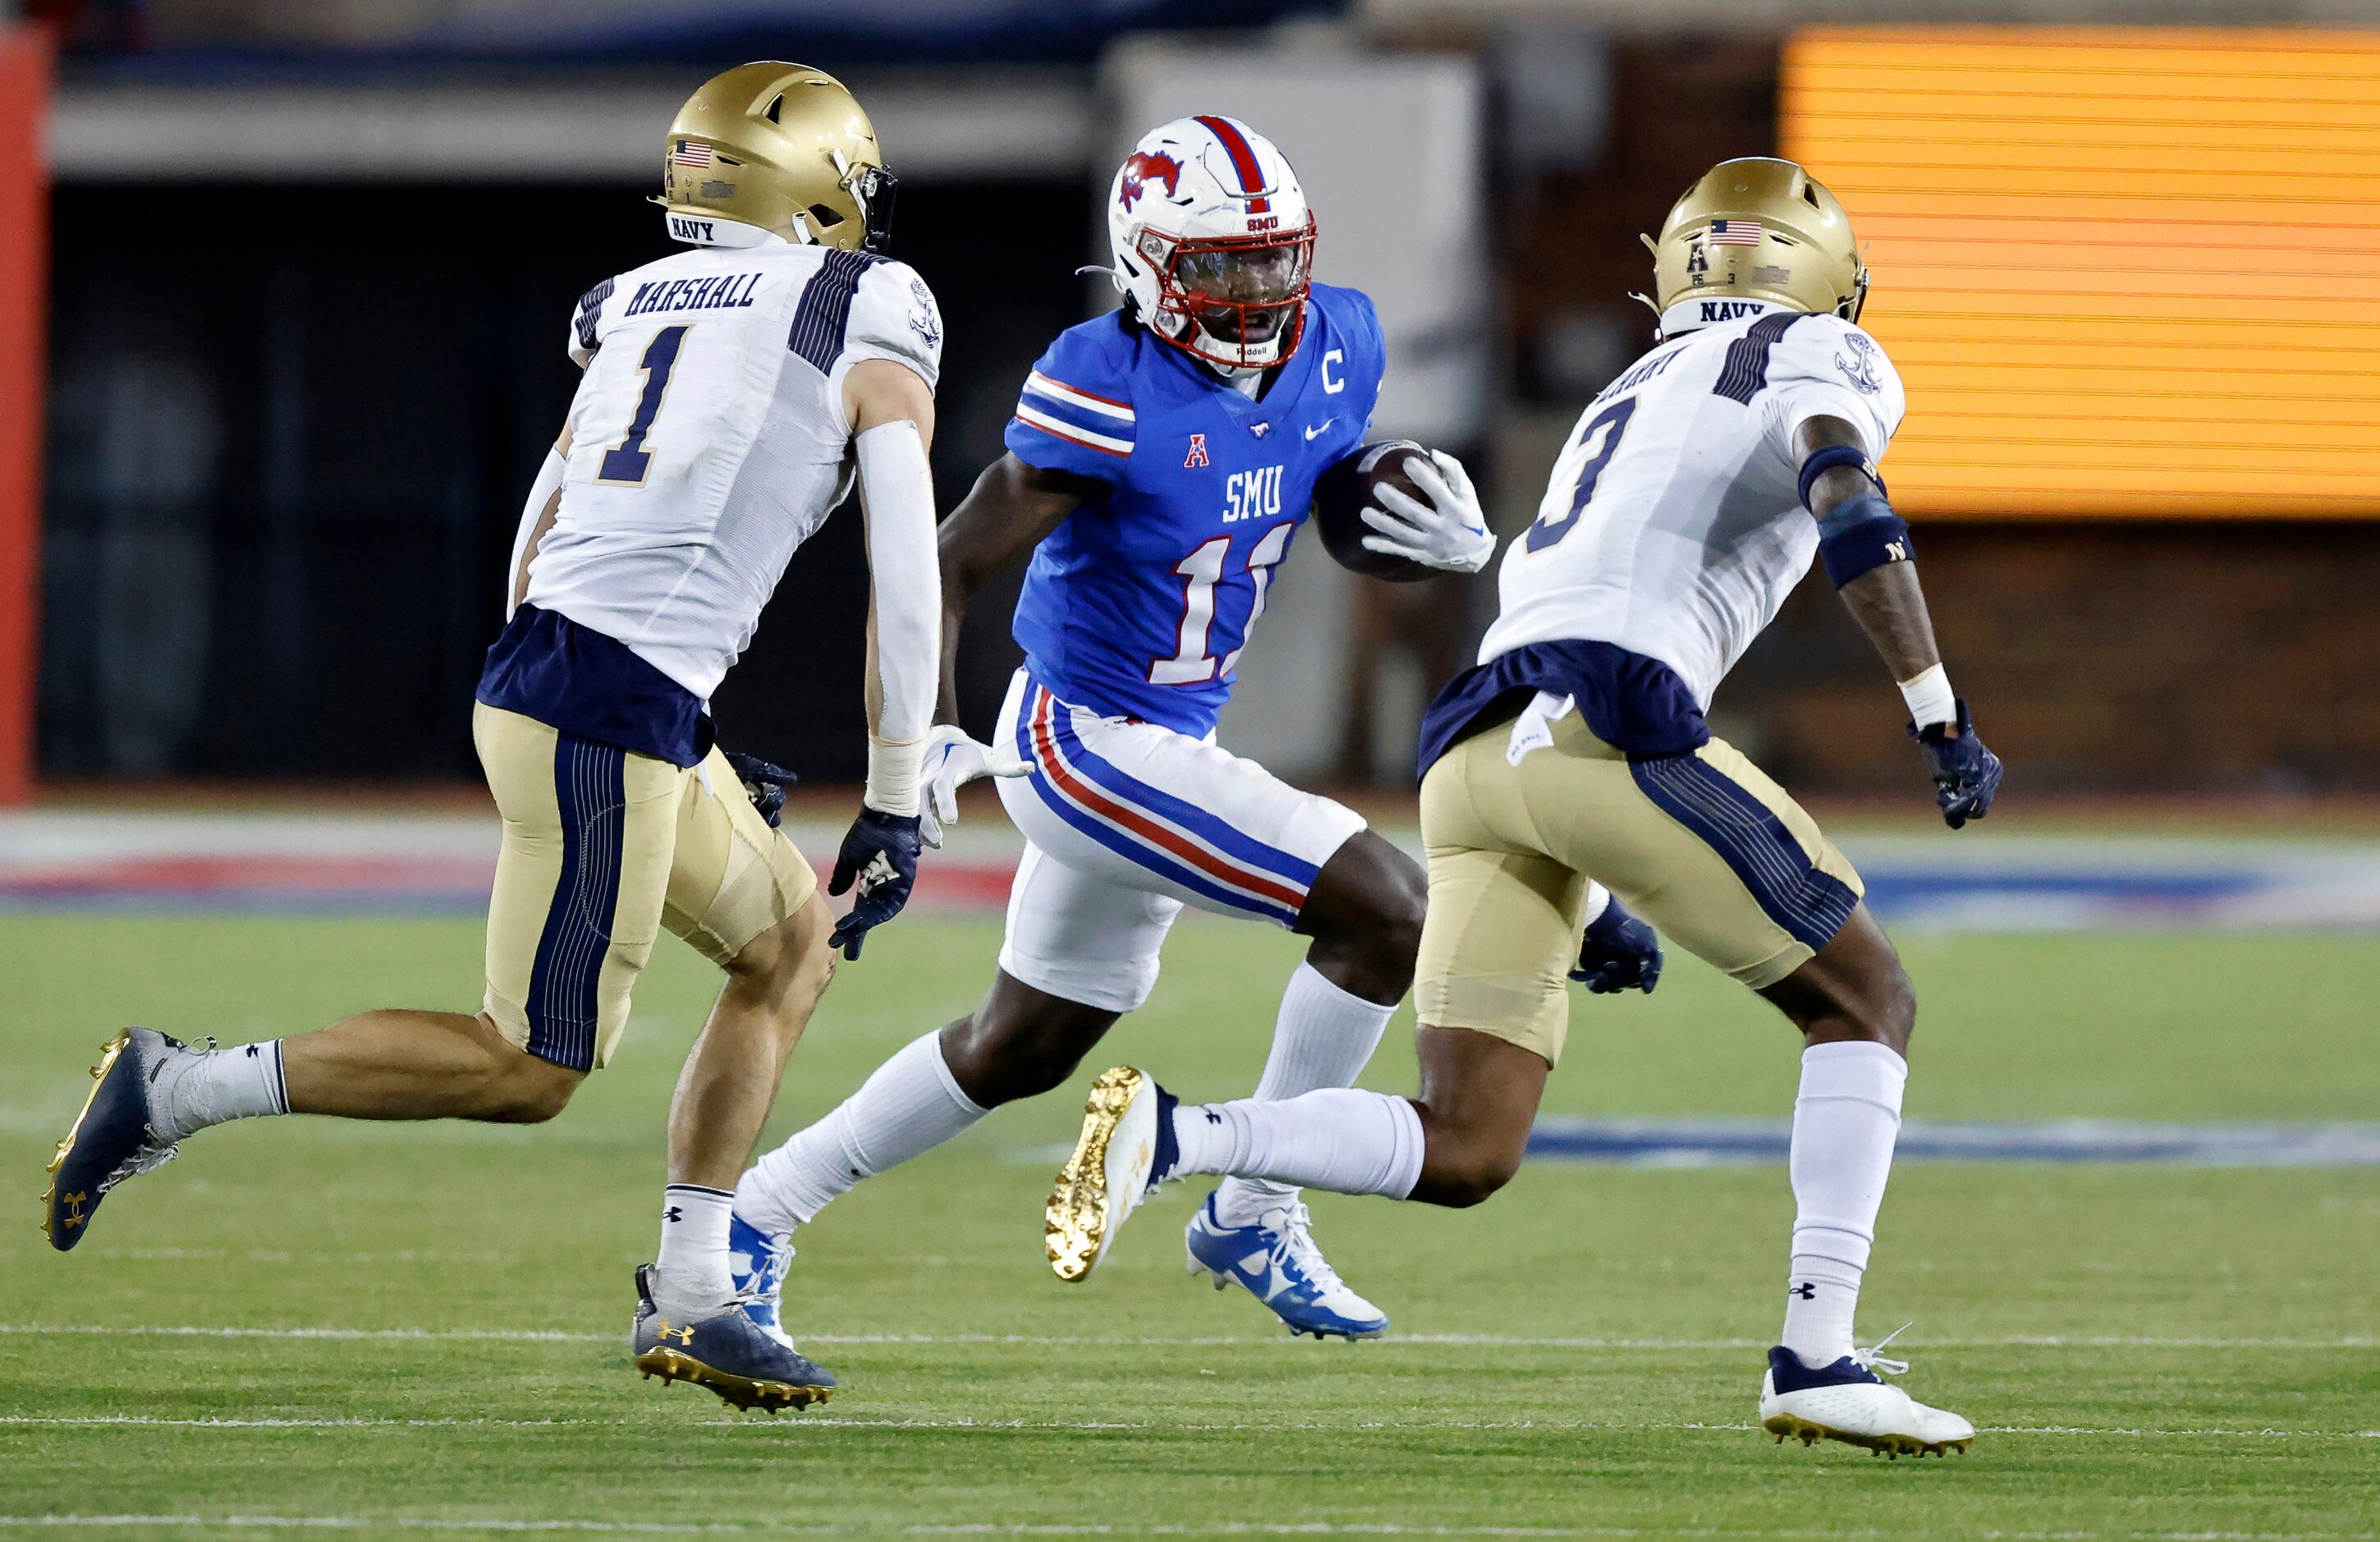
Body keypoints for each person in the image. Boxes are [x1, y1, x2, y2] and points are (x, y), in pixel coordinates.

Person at [1048, 158, 2003, 1458]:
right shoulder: (1824, 354)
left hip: (1477, 741)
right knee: (1864, 997)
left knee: (1469, 1142)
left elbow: (1568, 602)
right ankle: (1817, 1351)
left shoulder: (1631, 383)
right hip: (1609, 720)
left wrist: (1592, 884)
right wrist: (1938, 710)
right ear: (1825, 275)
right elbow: (1849, 497)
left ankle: (1183, 1134)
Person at [41, 62, 956, 1415]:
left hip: (579, 679)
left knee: (788, 942)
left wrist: (670, 728)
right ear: (817, 188)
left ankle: (700, 1294)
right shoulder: (865, 300)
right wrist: (895, 787)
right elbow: (906, 565)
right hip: (605, 704)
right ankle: (174, 1088)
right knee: (529, 1068)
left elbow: (540, 534)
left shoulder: (635, 299)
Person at [726, 115, 1635, 1358]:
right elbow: (943, 560)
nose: (1257, 293)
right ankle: (1257, 1200)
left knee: (1021, 1044)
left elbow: (1315, 470)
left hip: (1166, 735)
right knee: (1391, 911)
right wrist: (925, 735)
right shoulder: (1106, 379)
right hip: (1083, 736)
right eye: (1222, 265)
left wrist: (1401, 508)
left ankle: (763, 1206)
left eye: (1275, 260)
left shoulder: (1337, 343)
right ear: (1148, 264)